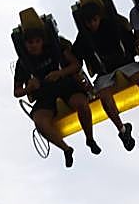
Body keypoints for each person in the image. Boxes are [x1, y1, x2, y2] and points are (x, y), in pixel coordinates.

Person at [73, 0, 139, 145]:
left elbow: (131, 39)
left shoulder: (113, 25)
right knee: (104, 96)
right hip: (105, 72)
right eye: (88, 22)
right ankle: (122, 129)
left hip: (125, 63)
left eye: (94, 20)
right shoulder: (83, 37)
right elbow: (76, 59)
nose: (92, 24)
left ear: (99, 17)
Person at [12, 14, 98, 167]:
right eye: (30, 43)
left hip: (64, 84)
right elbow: (17, 92)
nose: (34, 45)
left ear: (42, 41)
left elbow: (76, 65)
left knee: (82, 104)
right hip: (45, 94)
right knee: (39, 121)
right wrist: (28, 88)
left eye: (37, 41)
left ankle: (90, 139)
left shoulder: (55, 48)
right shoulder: (23, 63)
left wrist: (60, 73)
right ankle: (66, 149)